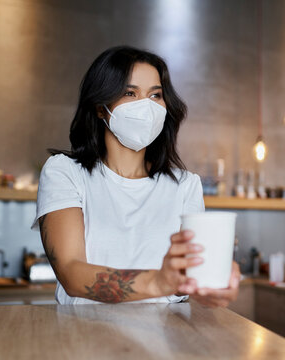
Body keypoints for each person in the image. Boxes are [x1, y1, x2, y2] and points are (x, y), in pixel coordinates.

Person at [32, 45, 240, 306]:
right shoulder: (65, 172)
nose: (146, 106)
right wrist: (157, 282)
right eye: (130, 93)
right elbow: (71, 273)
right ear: (100, 107)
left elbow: (187, 285)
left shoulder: (186, 186)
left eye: (155, 96)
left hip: (164, 339)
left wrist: (212, 286)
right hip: (84, 337)